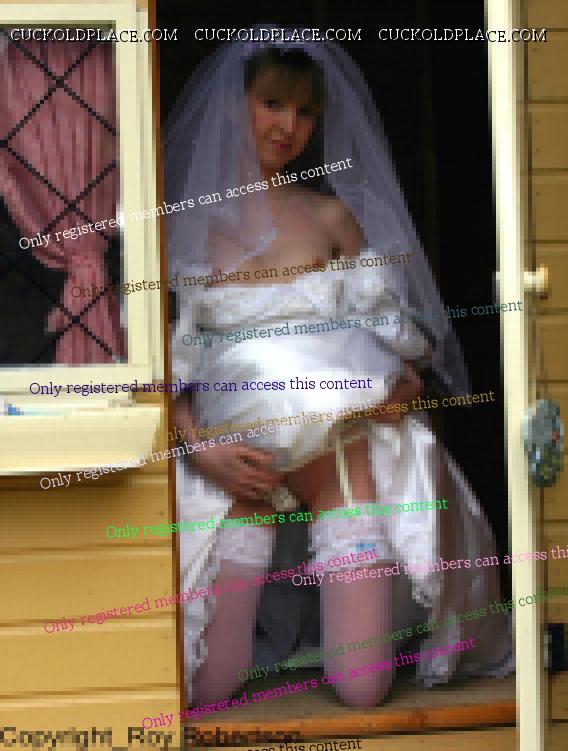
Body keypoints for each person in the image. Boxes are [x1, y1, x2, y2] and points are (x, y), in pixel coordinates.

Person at [165, 29, 513, 710]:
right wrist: (202, 451)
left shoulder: (331, 217)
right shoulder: (185, 229)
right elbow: (166, 369)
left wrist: (401, 390)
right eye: (272, 104)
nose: (288, 126)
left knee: (362, 687)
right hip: (240, 468)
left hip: (338, 459)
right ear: (235, 105)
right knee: (207, 687)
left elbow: (401, 349)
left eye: (304, 111)